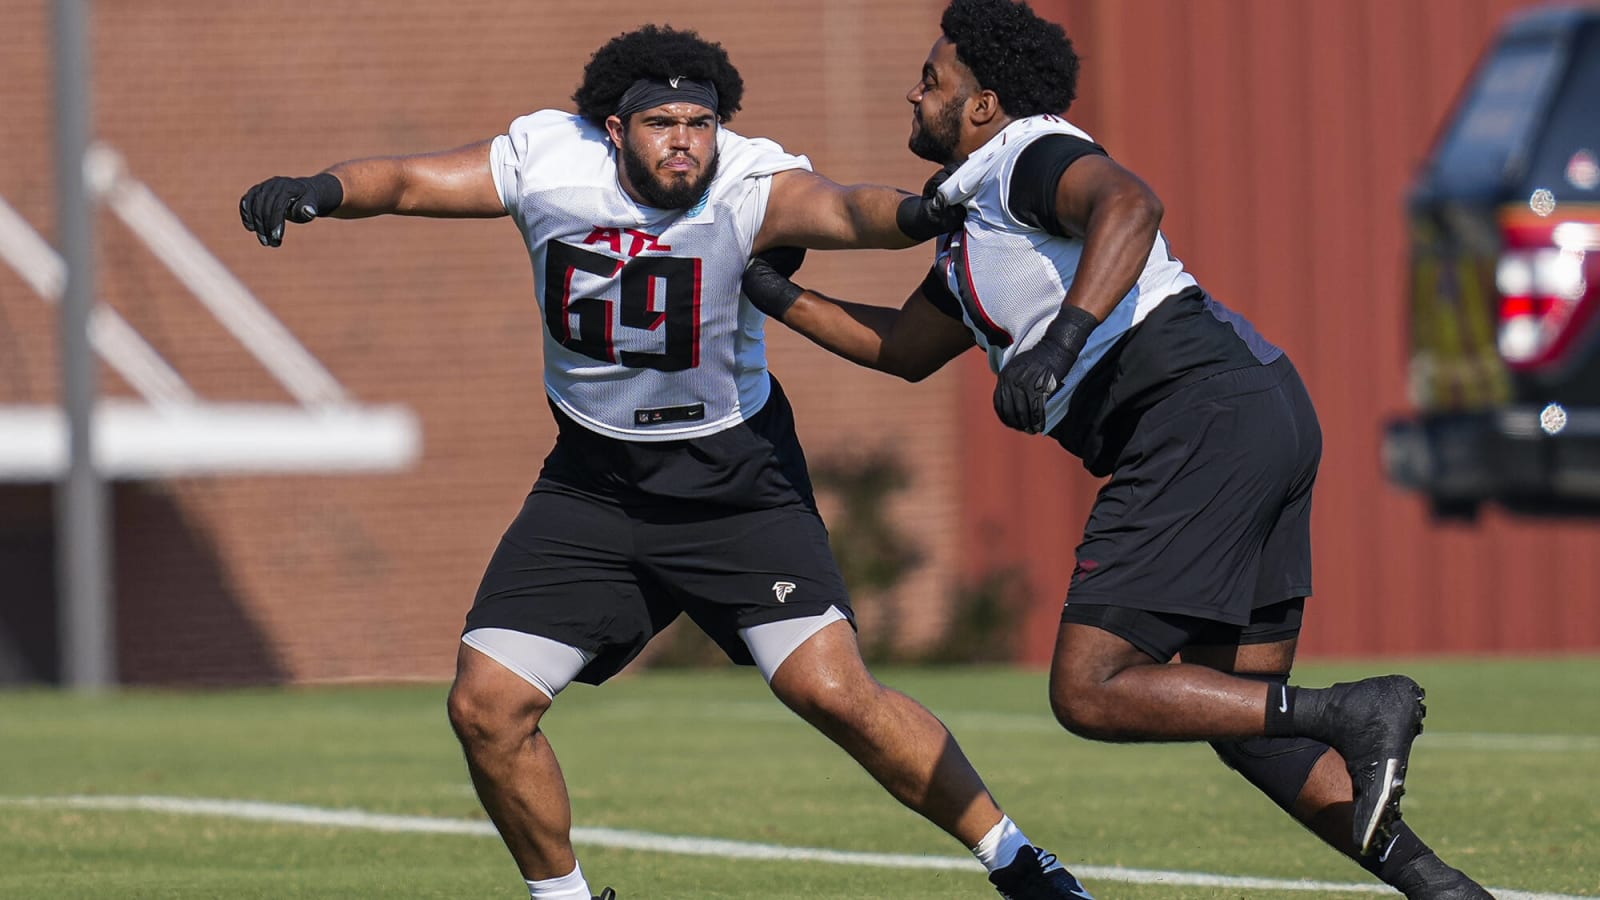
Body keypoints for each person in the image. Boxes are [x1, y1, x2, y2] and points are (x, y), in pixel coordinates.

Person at [240, 23, 1095, 900]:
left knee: (833, 691)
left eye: (701, 121)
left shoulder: (746, 178)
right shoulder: (550, 159)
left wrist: (922, 213)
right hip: (595, 484)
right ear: (615, 129)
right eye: (662, 123)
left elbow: (841, 209)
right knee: (486, 708)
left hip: (736, 481)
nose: (685, 141)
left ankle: (1018, 860)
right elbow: (414, 179)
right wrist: (322, 190)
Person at [739, 1, 1495, 898]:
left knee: (1091, 689)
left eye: (932, 81)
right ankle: (1442, 888)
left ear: (984, 105)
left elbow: (1131, 203)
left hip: (1195, 416)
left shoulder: (1028, 154)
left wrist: (1063, 342)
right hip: (1254, 407)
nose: (914, 93)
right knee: (1246, 714)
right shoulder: (978, 210)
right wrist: (773, 295)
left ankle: (1352, 710)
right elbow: (903, 350)